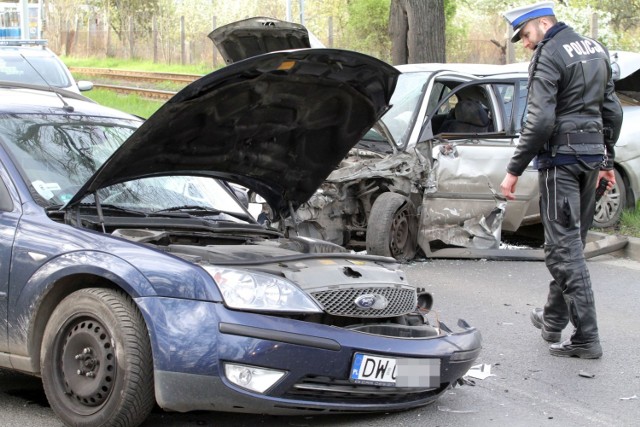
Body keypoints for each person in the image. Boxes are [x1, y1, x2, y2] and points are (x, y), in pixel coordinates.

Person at [500, 1, 623, 359]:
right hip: (590, 160)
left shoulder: (549, 54)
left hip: (561, 164)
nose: (525, 43)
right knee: (572, 245)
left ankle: (587, 338)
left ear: (542, 24)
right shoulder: (595, 49)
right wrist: (607, 159)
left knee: (562, 250)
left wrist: (514, 169)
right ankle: (552, 320)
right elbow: (611, 110)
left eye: (525, 34)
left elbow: (539, 121)